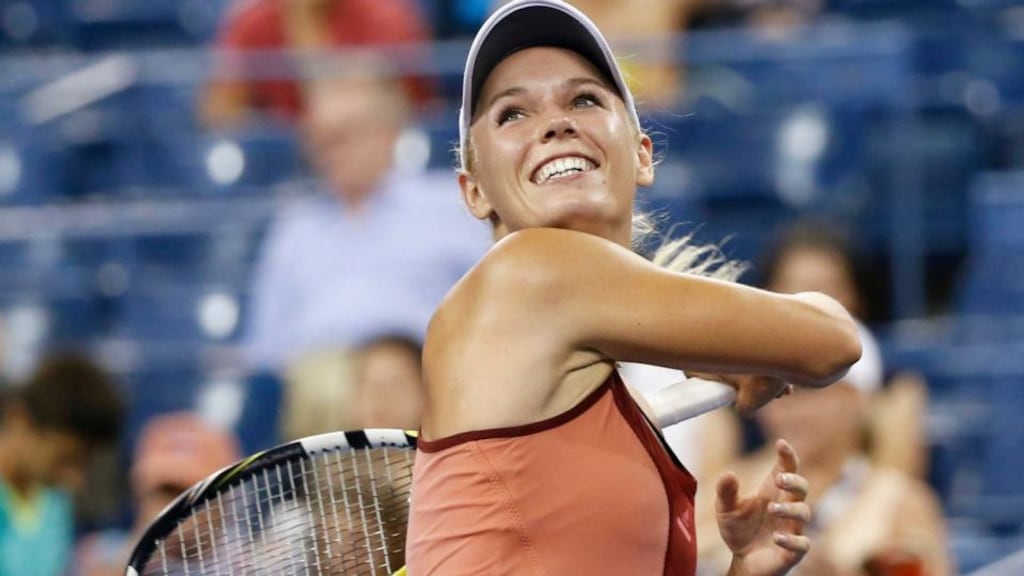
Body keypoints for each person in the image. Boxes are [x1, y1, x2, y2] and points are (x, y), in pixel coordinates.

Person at [405, 2, 862, 574]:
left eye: (584, 100)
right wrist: (745, 349)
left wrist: (744, 568)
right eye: (512, 114)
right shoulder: (528, 270)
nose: (555, 121)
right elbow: (833, 339)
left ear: (643, 155)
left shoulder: (604, 411)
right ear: (474, 192)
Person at [243, 65, 490, 371]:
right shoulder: (294, 229)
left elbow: (493, 312)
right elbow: (266, 352)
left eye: (345, 135)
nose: (330, 151)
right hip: (320, 396)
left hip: (429, 380)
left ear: (387, 132)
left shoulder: (450, 207)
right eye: (321, 138)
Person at [201, 0, 433, 128]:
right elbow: (218, 114)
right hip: (286, 171)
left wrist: (303, 24)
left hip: (377, 166)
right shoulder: (254, 20)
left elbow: (341, 113)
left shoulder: (386, 15)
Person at [70, 412, 243, 576]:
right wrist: (140, 552)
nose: (175, 510)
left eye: (190, 495)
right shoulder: (95, 553)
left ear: (224, 501)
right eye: (165, 492)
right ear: (140, 493)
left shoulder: (249, 564)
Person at [0, 351, 122, 576]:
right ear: (20, 419)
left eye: (84, 463)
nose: (75, 479)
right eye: (65, 459)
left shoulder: (55, 501)